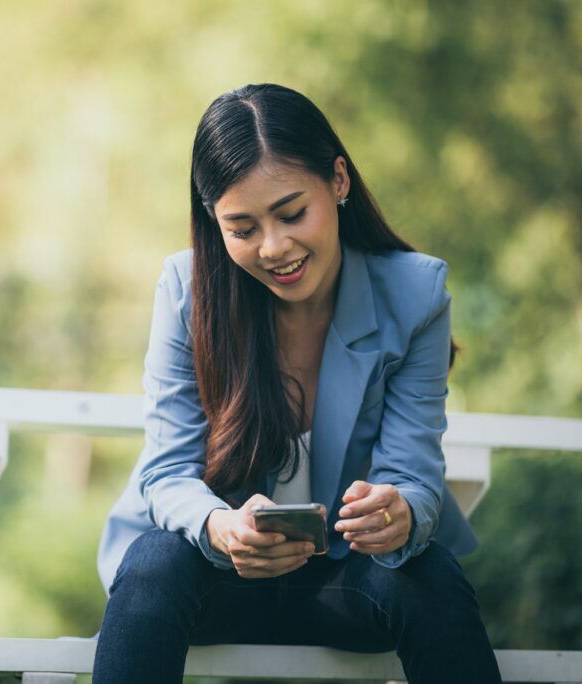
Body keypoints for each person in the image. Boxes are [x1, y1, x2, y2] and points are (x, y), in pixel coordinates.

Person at [91, 83, 502, 683]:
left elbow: (413, 475)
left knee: (430, 575)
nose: (274, 247)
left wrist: (401, 512)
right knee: (154, 559)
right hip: (221, 578)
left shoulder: (416, 295)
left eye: (291, 213)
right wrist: (220, 527)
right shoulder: (186, 291)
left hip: (349, 583)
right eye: (243, 228)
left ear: (338, 181)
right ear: (214, 220)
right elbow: (167, 472)